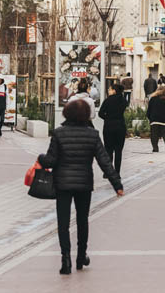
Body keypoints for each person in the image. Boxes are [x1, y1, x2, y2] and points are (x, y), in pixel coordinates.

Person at [38, 99, 123, 275]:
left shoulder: (59, 134)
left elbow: (51, 160)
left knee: (63, 222)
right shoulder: (92, 134)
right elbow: (104, 161)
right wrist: (117, 184)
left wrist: (41, 158)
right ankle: (81, 255)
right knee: (82, 220)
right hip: (84, 183)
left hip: (62, 184)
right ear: (86, 115)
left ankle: (65, 259)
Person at [99, 83, 127, 172]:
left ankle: (109, 171)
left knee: (108, 149)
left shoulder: (108, 100)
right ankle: (117, 171)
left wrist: (108, 118)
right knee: (119, 150)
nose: (108, 91)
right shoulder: (123, 100)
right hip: (120, 126)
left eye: (110, 89)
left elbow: (100, 113)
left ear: (114, 91)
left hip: (109, 127)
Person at [147, 84, 165, 153]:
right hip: (164, 120)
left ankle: (155, 148)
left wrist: (149, 117)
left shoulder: (153, 98)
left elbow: (149, 109)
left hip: (154, 119)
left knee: (154, 135)